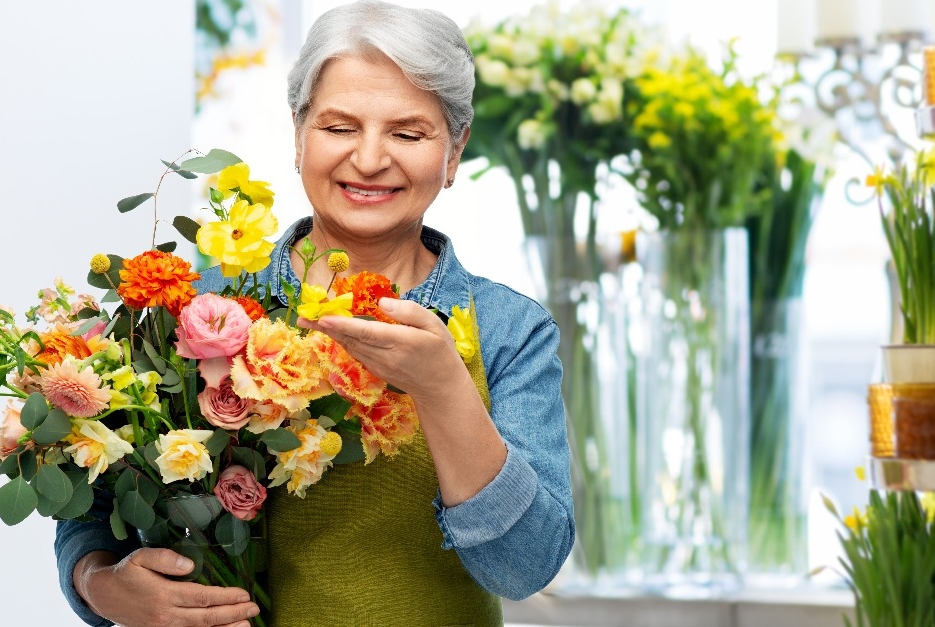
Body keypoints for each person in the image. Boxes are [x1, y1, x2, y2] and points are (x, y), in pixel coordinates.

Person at [55, 2, 574, 625]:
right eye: (338, 127)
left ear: (454, 151)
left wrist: (442, 387)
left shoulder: (509, 330)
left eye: (408, 134)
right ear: (298, 133)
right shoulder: (200, 303)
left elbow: (525, 570)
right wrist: (97, 583)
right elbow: (92, 496)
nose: (370, 159)